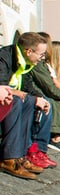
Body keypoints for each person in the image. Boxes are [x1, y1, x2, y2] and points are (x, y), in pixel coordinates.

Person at [0, 31, 55, 169]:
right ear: (29, 51)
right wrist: (25, 95)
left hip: (9, 97)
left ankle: (21, 154)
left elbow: (27, 86)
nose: (42, 58)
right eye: (41, 54)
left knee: (35, 101)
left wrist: (40, 98)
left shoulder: (25, 62)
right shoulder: (4, 57)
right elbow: (2, 87)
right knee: (19, 101)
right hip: (5, 99)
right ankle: (9, 158)